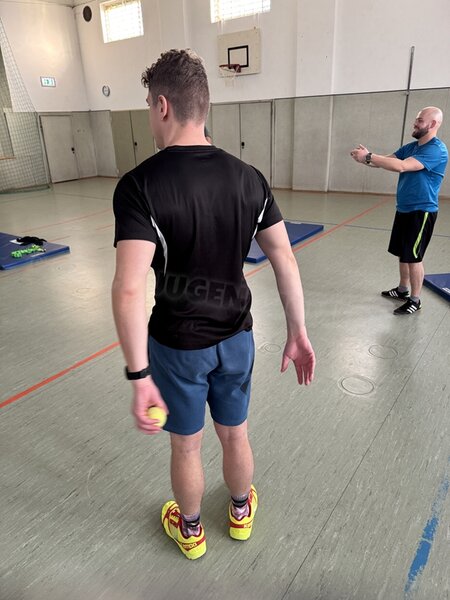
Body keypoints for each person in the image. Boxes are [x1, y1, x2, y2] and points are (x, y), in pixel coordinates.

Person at [111, 49, 315, 560]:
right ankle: (241, 511)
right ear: (203, 105)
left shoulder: (139, 185)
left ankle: (192, 530)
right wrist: (297, 332)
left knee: (186, 444)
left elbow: (130, 288)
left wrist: (139, 375)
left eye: (148, 106)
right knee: (235, 433)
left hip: (178, 346)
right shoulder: (250, 178)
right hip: (237, 338)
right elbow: (284, 259)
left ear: (162, 105)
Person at [350, 107, 448, 315]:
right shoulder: (411, 147)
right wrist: (366, 159)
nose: (415, 123)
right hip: (404, 208)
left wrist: (370, 156)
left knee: (413, 257)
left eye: (420, 120)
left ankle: (415, 299)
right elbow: (387, 161)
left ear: (432, 124)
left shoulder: (436, 150)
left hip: (422, 211)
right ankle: (403, 290)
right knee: (403, 253)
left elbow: (402, 166)